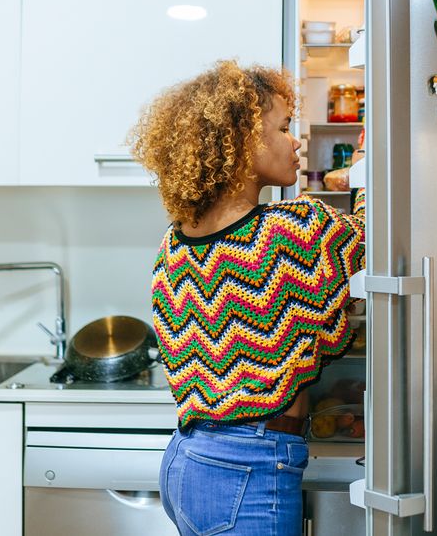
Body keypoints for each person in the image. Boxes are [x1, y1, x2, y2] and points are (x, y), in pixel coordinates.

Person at [130, 60, 365, 536]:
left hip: (187, 462)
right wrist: (367, 170)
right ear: (240, 143)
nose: (296, 140)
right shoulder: (288, 231)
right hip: (249, 471)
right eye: (283, 127)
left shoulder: (173, 242)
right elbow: (372, 238)